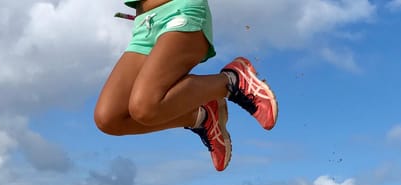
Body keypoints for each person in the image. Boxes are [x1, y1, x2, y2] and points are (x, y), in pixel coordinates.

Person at [94, 0, 279, 171]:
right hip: (145, 25)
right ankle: (201, 115)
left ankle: (232, 81)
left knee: (145, 106)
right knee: (109, 118)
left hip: (180, 9)